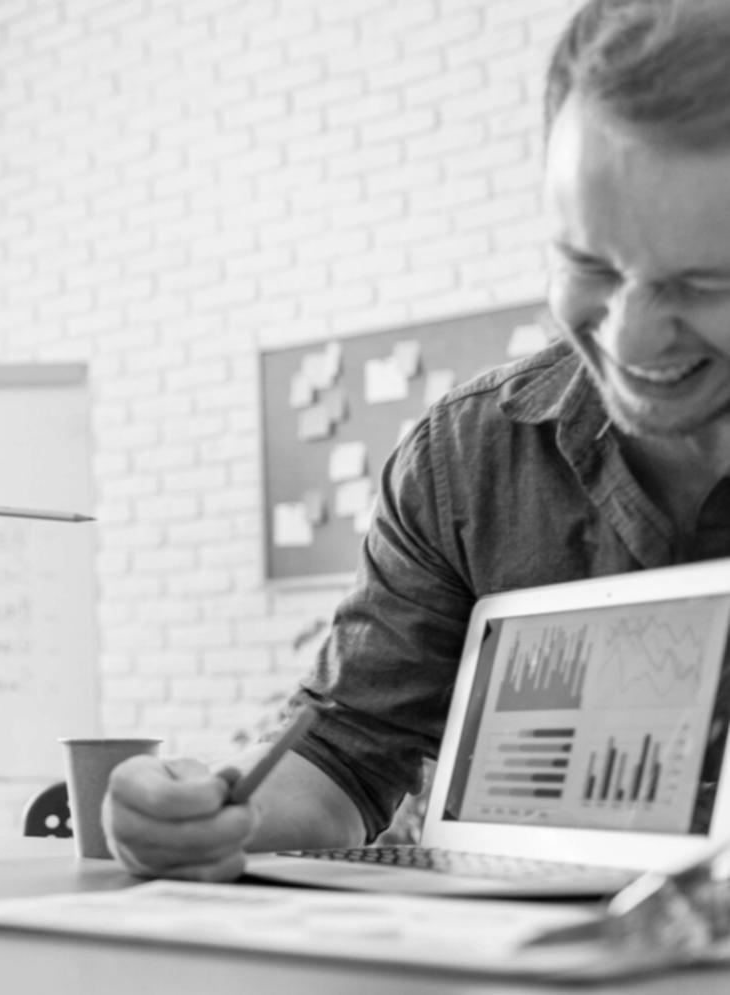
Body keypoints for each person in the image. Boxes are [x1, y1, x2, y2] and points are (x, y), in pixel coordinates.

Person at [107, 0, 730, 880]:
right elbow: (345, 751)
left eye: (702, 284)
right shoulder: (470, 459)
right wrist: (210, 812)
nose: (627, 342)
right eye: (587, 267)